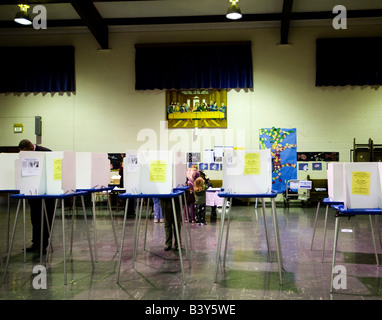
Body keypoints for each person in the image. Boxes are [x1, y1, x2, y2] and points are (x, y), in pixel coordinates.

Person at [18, 139, 55, 254]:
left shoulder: (46, 152)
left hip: (47, 193)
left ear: (30, 147)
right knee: (35, 219)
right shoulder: (24, 154)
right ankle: (35, 244)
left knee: (45, 219)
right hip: (32, 193)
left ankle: (43, 246)